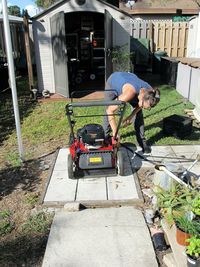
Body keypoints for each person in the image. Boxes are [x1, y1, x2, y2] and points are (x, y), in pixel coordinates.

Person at [103, 71, 160, 154]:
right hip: (113, 82)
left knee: (139, 115)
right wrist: (116, 133)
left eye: (146, 108)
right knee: (107, 109)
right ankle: (105, 138)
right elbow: (109, 110)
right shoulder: (130, 92)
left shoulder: (151, 92)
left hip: (129, 79)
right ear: (142, 98)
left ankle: (142, 142)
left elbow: (140, 106)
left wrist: (131, 115)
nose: (143, 108)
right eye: (144, 106)